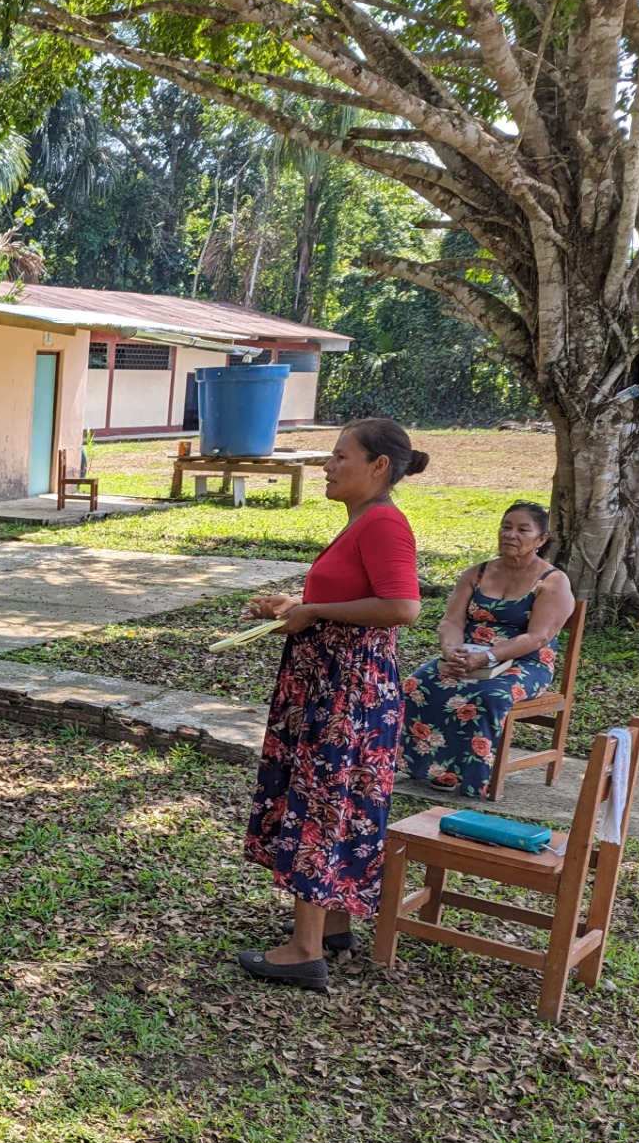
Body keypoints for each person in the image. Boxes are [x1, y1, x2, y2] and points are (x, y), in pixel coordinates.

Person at [238, 418, 427, 990]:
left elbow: (402, 607)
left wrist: (316, 613)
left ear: (378, 467)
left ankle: (305, 948)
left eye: (340, 456)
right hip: (333, 682)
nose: (327, 466)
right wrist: (296, 605)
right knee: (338, 799)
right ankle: (335, 923)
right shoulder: (364, 522)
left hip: (348, 690)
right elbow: (353, 595)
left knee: (324, 800)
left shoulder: (384, 524)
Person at [401, 501, 575, 795]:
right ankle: (422, 767)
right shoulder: (476, 573)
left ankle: (470, 778)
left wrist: (488, 657)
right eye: (506, 527)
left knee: (488, 695)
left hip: (524, 662)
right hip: (467, 654)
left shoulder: (553, 581)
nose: (511, 535)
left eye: (523, 529)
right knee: (418, 683)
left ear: (541, 539)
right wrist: (451, 650)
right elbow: (452, 620)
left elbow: (537, 637)